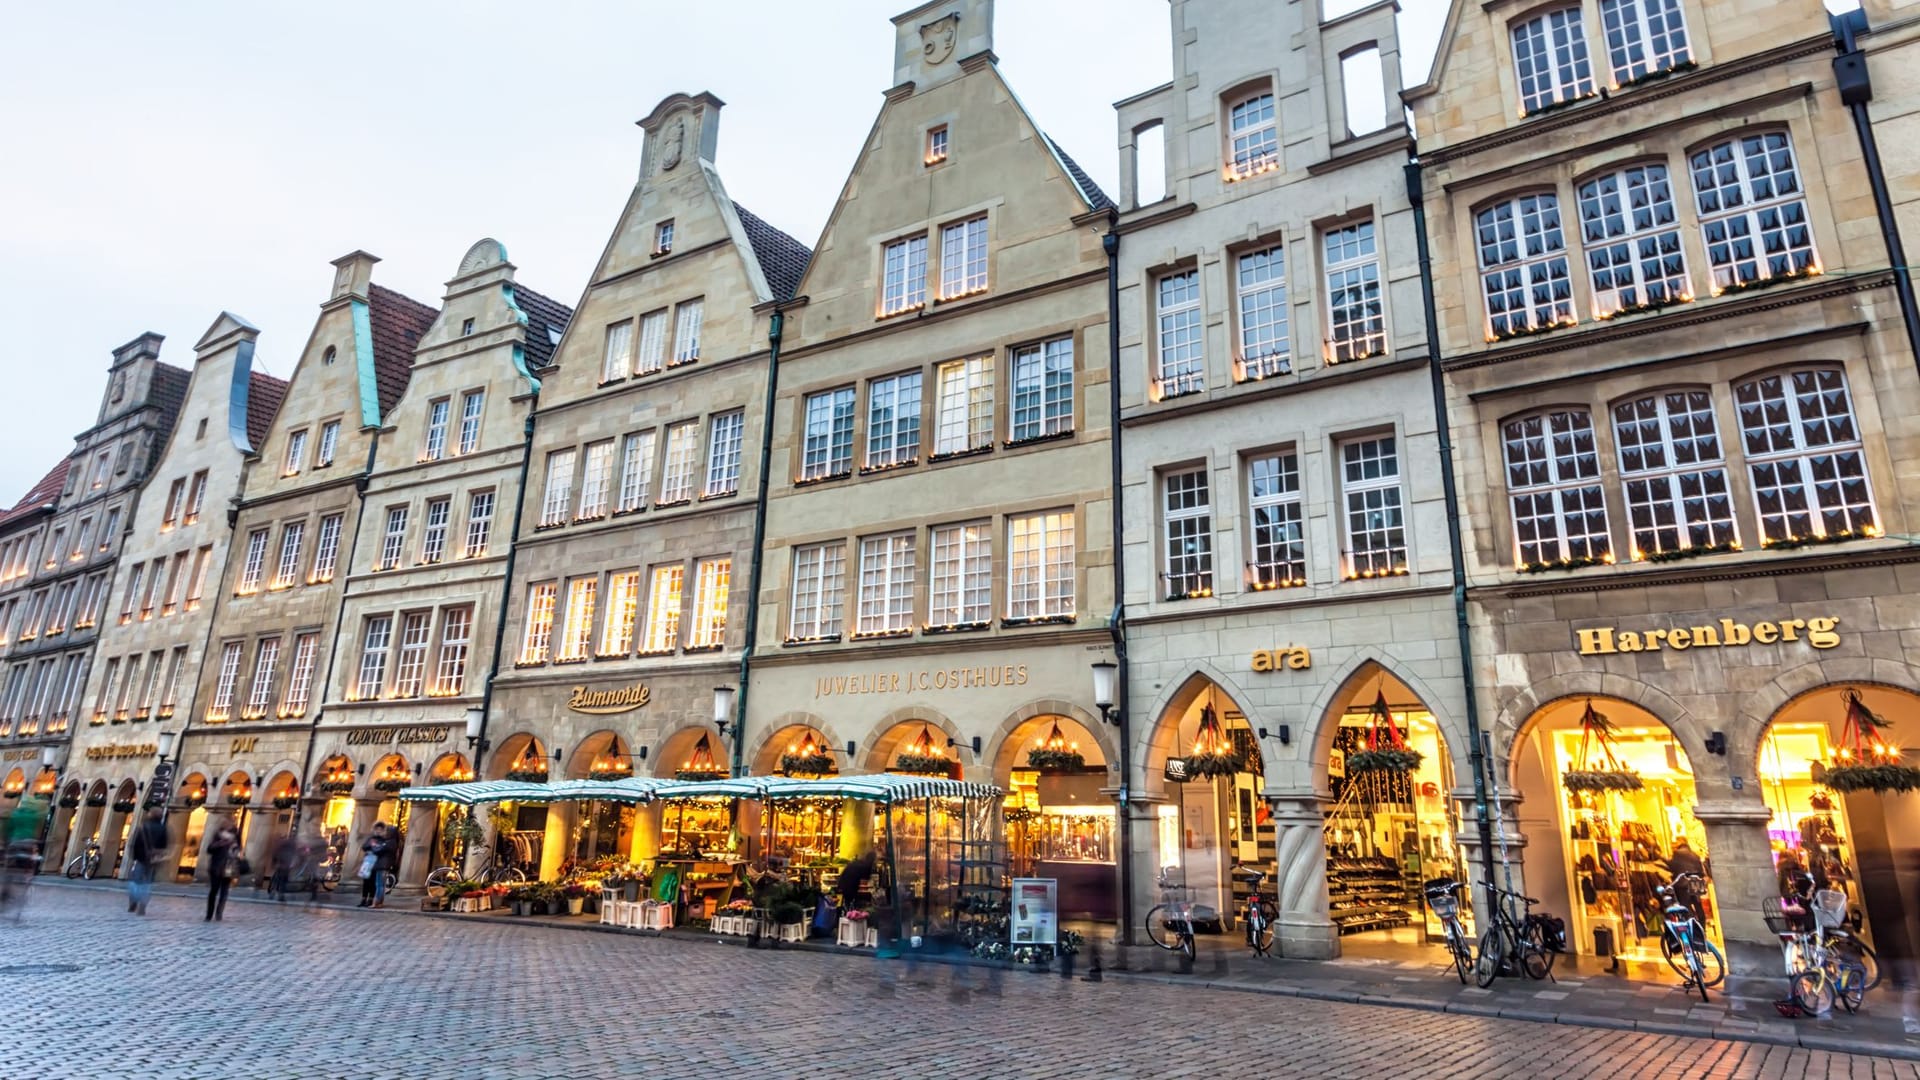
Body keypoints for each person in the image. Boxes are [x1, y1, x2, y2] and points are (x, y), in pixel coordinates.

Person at [125, 808, 169, 916]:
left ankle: (133, 901)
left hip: (140, 858)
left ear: (150, 815)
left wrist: (134, 857)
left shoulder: (142, 827)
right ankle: (142, 906)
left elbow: (134, 843)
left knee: (135, 882)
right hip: (153, 860)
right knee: (147, 884)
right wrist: (159, 857)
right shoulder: (163, 828)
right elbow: (164, 846)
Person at [204, 822, 240, 922]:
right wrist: (221, 843)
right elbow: (209, 849)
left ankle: (219, 913)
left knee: (224, 891)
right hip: (216, 867)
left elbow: (237, 852)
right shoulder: (218, 837)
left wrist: (234, 848)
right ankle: (209, 914)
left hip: (228, 867)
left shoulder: (235, 838)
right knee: (214, 891)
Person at [359, 823, 395, 908]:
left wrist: (374, 847)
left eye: (380, 829)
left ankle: (371, 900)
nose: (378, 831)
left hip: (377, 863)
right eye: (377, 829)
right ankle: (363, 899)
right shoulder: (371, 838)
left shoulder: (384, 840)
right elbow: (364, 847)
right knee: (366, 882)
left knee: (374, 883)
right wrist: (371, 845)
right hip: (368, 862)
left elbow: (379, 850)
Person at [268, 830, 302, 903]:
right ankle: (280, 895)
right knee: (283, 881)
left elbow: (275, 853)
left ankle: (274, 893)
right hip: (286, 865)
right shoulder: (293, 845)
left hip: (281, 864)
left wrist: (273, 863)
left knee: (278, 880)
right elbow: (296, 855)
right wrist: (293, 863)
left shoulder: (282, 843)